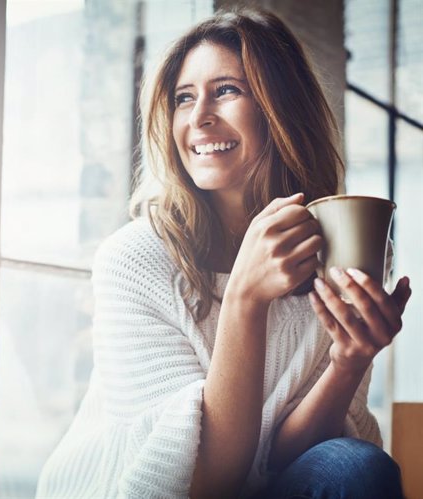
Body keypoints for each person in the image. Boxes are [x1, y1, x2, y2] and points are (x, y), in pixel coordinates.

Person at [36, 7, 412, 499]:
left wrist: (348, 361)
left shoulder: (339, 251)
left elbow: (281, 460)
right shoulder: (134, 260)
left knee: (355, 466)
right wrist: (244, 299)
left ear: (282, 109)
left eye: (227, 90)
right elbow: (204, 483)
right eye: (183, 98)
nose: (198, 117)